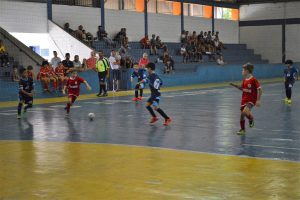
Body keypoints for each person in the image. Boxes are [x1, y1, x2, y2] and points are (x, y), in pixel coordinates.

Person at [230, 63, 262, 135]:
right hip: (244, 99)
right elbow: (243, 89)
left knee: (244, 113)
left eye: (243, 70)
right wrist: (235, 86)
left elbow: (260, 90)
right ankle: (250, 119)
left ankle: (242, 129)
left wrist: (258, 100)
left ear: (247, 71)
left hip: (251, 100)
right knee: (243, 114)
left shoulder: (253, 80)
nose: (242, 71)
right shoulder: (244, 80)